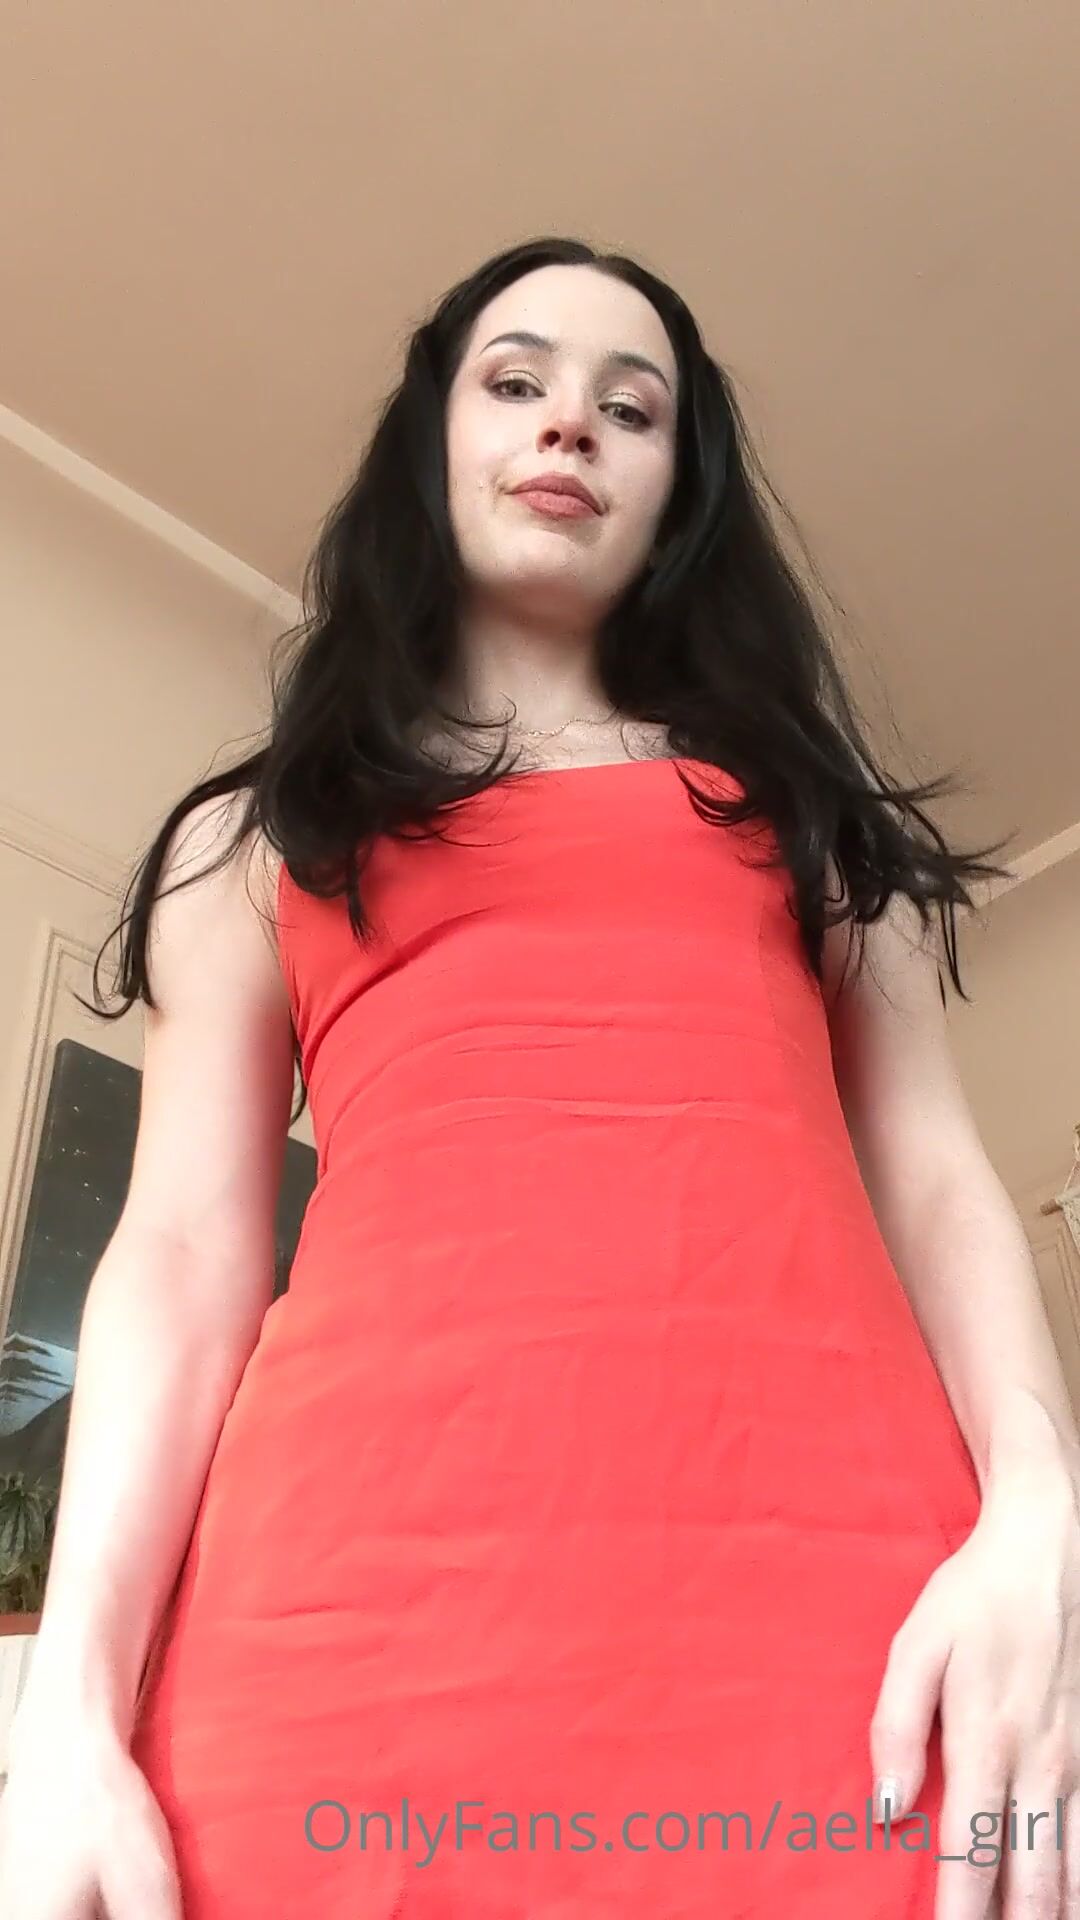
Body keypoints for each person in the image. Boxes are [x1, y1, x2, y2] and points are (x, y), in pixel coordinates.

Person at [1, 234, 1076, 1920]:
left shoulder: (812, 821)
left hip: (847, 1621)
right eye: (516, 383)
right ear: (433, 438)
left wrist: (1040, 1513)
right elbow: (185, 1260)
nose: (569, 422)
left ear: (679, 490)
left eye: (629, 407)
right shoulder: (254, 840)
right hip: (338, 1627)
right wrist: (70, 1707)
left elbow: (941, 1183)